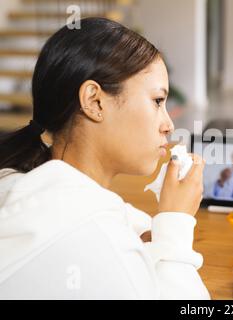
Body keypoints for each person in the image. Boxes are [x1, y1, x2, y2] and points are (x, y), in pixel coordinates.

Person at [0, 18, 209, 299]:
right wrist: (176, 222)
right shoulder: (92, 231)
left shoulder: (17, 181)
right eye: (157, 101)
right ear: (95, 101)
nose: (168, 125)